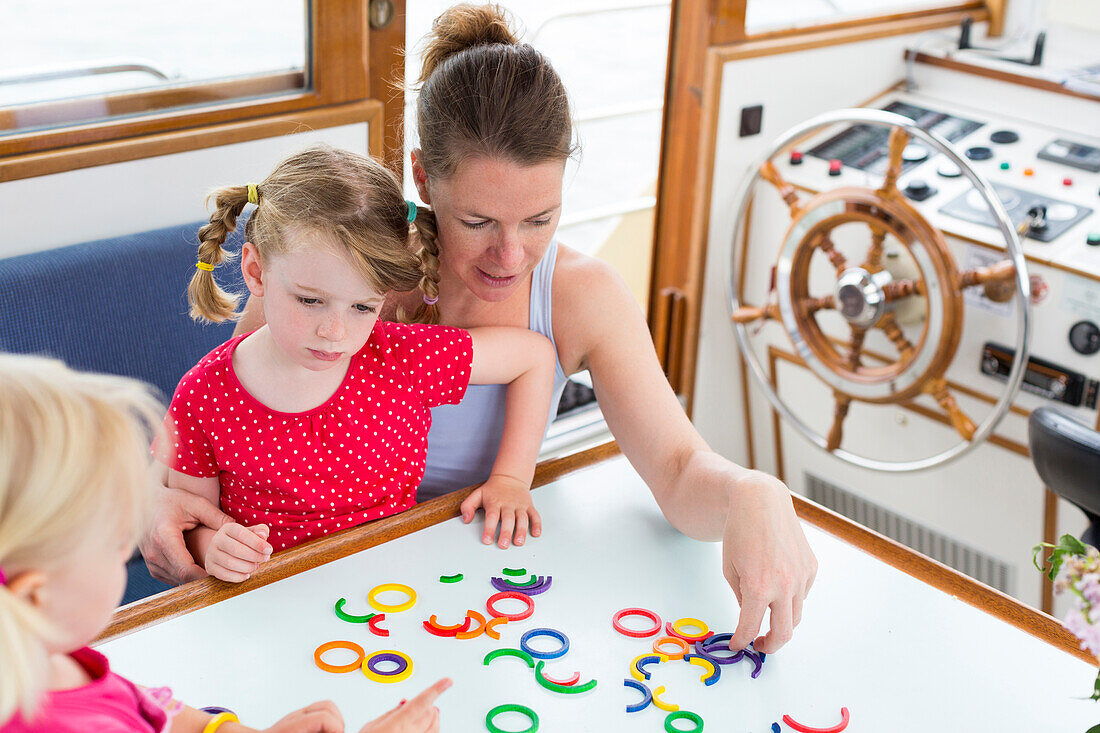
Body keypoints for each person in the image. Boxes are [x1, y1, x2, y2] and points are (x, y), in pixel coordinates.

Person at [144, 3, 817, 654]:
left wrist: (750, 493)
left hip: (460, 595)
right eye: (477, 222)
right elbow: (234, 419)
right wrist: (163, 513)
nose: (511, 256)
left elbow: (677, 469)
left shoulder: (582, 295)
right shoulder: (343, 265)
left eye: (539, 219)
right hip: (308, 586)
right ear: (422, 178)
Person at [158, 145, 554, 582]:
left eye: (362, 307)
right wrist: (212, 548)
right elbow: (190, 518)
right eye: (310, 300)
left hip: (396, 587)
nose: (335, 331)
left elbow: (534, 357)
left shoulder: (403, 357)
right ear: (256, 272)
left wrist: (512, 479)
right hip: (271, 597)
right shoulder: (202, 395)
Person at [0, 354, 451, 732]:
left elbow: (161, 714)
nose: (130, 548)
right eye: (114, 541)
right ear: (33, 595)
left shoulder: (51, 659)